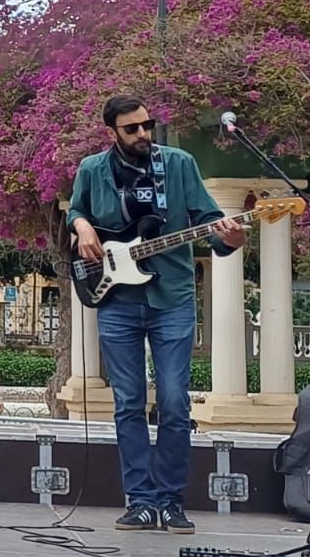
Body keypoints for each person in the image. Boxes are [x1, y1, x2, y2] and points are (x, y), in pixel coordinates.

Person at [67, 94, 244, 534]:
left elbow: (210, 221)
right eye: (133, 129)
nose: (144, 134)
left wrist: (232, 239)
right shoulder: (92, 169)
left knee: (174, 402)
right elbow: (75, 211)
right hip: (117, 302)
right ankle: (140, 501)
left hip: (173, 298)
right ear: (113, 132)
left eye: (148, 125)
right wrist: (82, 226)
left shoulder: (179, 164)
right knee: (128, 403)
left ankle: (171, 501)